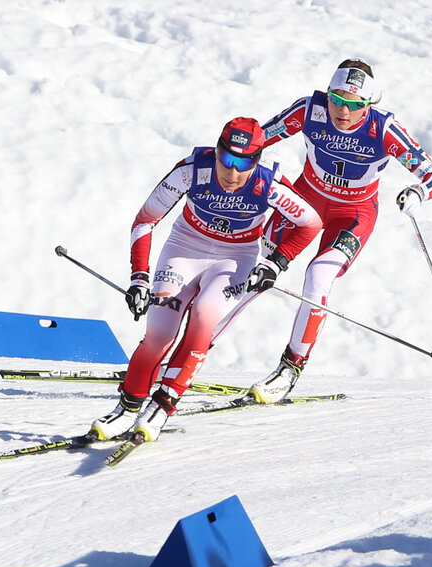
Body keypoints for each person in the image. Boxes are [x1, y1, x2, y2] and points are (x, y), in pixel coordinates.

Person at [89, 117, 322, 442]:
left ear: (256, 161)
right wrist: (139, 279)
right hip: (184, 249)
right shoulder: (190, 170)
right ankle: (126, 409)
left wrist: (275, 263)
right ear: (216, 152)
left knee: (203, 319)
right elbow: (145, 221)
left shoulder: (268, 183)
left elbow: (311, 223)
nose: (233, 172)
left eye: (244, 164)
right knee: (159, 333)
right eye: (227, 160)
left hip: (234, 258)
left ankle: (162, 405)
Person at [246, 58, 432, 403]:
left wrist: (417, 193)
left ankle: (289, 370)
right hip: (304, 200)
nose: (343, 110)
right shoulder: (310, 110)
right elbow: (255, 141)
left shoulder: (383, 130)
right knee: (253, 263)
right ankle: (189, 351)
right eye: (337, 99)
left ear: (369, 104)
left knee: (318, 277)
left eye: (354, 105)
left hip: (353, 213)